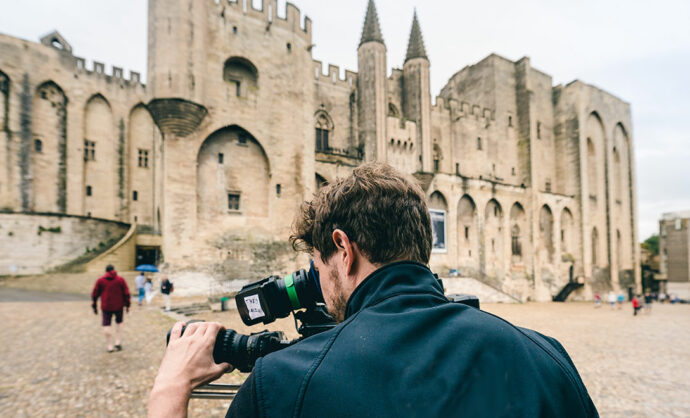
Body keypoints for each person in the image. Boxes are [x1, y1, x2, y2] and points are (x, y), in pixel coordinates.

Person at [148, 162, 597, 417]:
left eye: (317, 266)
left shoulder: (283, 382)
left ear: (343, 249)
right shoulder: (546, 357)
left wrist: (169, 389)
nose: (319, 285)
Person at [91, 264, 131, 352]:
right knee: (119, 323)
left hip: (106, 307)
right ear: (114, 270)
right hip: (119, 306)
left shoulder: (101, 281)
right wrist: (127, 305)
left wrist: (94, 305)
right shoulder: (120, 280)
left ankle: (110, 345)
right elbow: (126, 293)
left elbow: (95, 294)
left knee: (106, 325)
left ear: (105, 271)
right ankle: (117, 342)